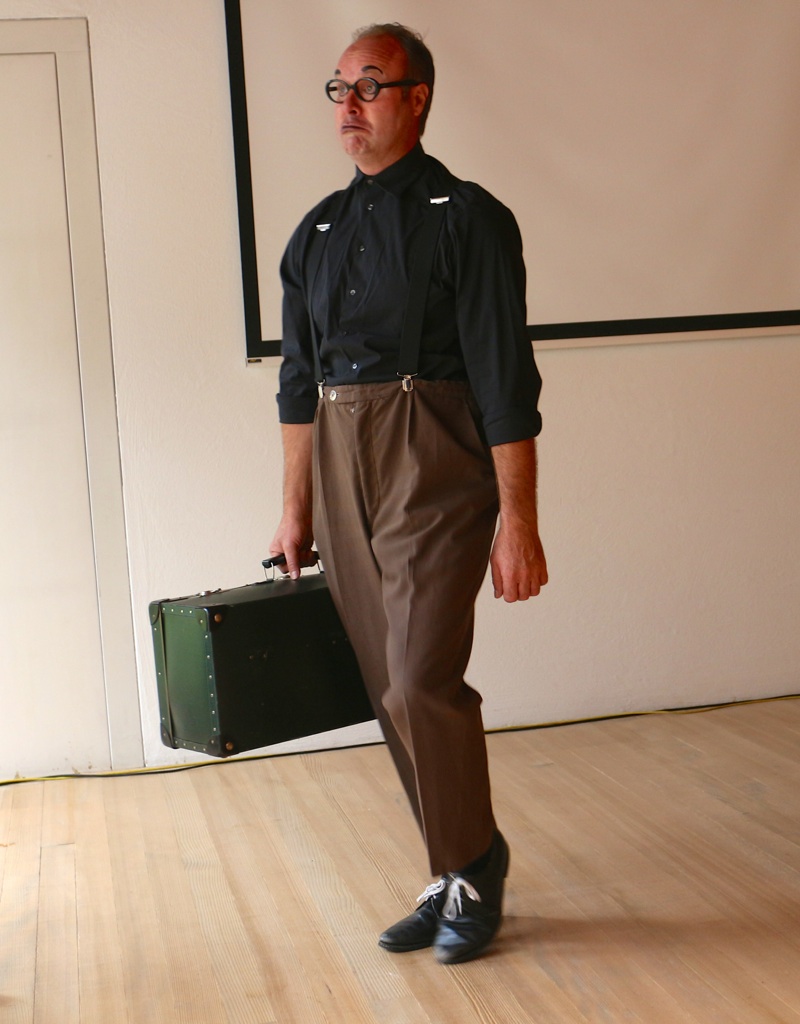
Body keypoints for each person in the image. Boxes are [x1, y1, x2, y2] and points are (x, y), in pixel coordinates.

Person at [270, 22, 547, 964]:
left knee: (422, 673)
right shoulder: (314, 233)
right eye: (338, 89)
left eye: (369, 86)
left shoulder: (468, 218)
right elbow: (297, 385)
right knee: (385, 684)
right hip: (339, 457)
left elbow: (505, 378)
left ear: (417, 98)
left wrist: (519, 520)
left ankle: (472, 866)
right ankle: (454, 862)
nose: (348, 106)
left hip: (433, 452)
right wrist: (295, 508)